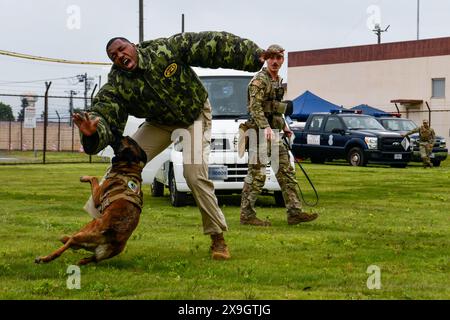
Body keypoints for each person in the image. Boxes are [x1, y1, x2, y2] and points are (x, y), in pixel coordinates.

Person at [73, 31, 266, 260]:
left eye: (122, 49)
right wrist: (93, 133)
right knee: (118, 169)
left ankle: (217, 239)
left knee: (194, 175)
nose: (119, 56)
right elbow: (104, 111)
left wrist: (253, 55)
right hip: (160, 123)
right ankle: (96, 230)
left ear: (133, 46)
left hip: (193, 115)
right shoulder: (118, 83)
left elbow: (211, 45)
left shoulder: (164, 50)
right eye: (113, 56)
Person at [239, 44, 318, 226]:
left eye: (278, 58)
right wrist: (265, 127)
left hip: (273, 134)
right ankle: (247, 215)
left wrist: (285, 126)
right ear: (266, 59)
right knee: (256, 175)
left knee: (286, 172)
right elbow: (255, 108)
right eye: (271, 58)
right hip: (259, 133)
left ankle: (294, 213)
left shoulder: (277, 81)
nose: (275, 61)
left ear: (283, 59)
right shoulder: (260, 80)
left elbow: (275, 108)